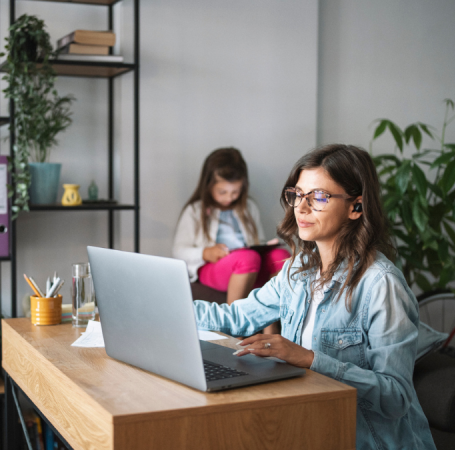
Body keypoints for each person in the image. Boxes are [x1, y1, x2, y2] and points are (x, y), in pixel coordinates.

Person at [194, 144, 436, 449]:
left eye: (319, 196)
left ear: (356, 206)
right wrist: (158, 307)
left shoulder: (381, 285)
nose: (301, 207)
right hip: (311, 427)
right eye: (297, 194)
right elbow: (235, 318)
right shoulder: (298, 269)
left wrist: (309, 359)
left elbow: (395, 398)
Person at [172, 147, 292, 306]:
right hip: (215, 267)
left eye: (235, 191)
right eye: (222, 192)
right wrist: (205, 253)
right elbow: (178, 251)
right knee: (247, 258)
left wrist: (264, 246)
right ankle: (234, 323)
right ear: (208, 186)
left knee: (280, 256)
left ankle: (271, 322)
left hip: (249, 264)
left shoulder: (248, 207)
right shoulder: (195, 211)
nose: (229, 197)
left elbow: (256, 240)